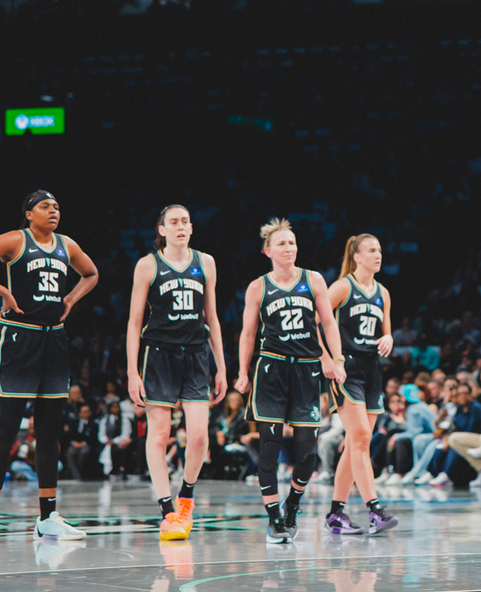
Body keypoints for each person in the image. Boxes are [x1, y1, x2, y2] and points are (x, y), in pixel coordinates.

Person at [0, 190, 97, 544]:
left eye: (57, 206)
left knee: (48, 432)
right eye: (45, 206)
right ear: (29, 214)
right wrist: (2, 290)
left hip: (53, 340)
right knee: (5, 429)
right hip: (18, 338)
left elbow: (91, 274)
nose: (53, 211)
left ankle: (47, 518)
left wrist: (71, 300)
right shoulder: (16, 240)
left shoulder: (67, 245)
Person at [234, 218, 346, 544]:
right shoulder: (258, 286)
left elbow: (328, 322)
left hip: (307, 370)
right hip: (271, 369)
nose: (289, 248)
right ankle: (274, 520)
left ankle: (292, 506)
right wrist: (242, 372)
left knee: (308, 453)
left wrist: (336, 359)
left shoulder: (313, 280)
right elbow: (249, 333)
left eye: (293, 243)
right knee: (268, 448)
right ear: (268, 250)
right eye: (282, 243)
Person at [126, 205, 227, 540]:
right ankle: (167, 511)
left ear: (191, 228)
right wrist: (132, 371)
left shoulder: (206, 262)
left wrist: (221, 366)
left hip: (197, 355)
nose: (181, 226)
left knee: (199, 436)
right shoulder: (148, 265)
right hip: (159, 355)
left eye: (185, 221)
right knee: (159, 434)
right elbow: (134, 323)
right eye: (174, 222)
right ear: (163, 229)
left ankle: (186, 495)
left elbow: (212, 317)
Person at [324, 234, 398, 534]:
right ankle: (374, 509)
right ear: (356, 256)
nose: (378, 254)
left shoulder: (383, 293)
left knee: (355, 445)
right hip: (346, 370)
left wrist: (389, 338)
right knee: (362, 438)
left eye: (379, 249)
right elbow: (315, 319)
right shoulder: (342, 287)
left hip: (371, 372)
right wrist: (326, 359)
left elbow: (387, 331)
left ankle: (335, 514)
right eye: (371, 250)